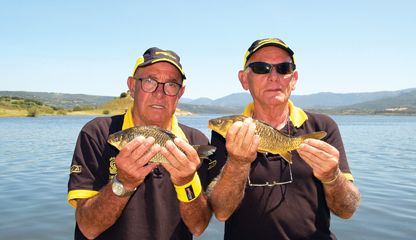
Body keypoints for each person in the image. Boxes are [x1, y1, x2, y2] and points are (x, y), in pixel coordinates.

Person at [207, 38, 361, 239]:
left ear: (294, 78)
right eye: (261, 68)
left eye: (283, 68)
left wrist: (332, 177)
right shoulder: (226, 133)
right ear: (244, 79)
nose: (274, 76)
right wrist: (237, 162)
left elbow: (347, 210)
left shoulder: (323, 127)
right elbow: (221, 211)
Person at [67, 47, 212, 239]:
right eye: (150, 81)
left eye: (171, 85)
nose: (160, 93)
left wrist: (186, 182)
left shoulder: (195, 142)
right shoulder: (97, 134)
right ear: (132, 86)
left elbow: (198, 227)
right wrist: (123, 183)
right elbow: (88, 227)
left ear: (180, 92)